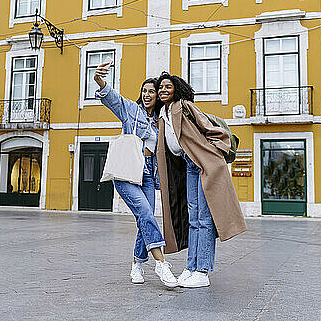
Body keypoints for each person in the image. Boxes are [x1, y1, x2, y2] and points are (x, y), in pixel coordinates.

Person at [155, 72, 247, 288]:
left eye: (168, 86)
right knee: (193, 218)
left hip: (204, 163)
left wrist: (214, 151)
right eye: (160, 87)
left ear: (177, 89)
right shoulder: (163, 114)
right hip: (189, 165)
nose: (163, 90)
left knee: (205, 219)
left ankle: (202, 271)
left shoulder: (184, 105)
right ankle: (191, 267)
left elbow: (209, 128)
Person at [93, 61, 178, 288]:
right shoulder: (131, 110)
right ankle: (161, 263)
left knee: (145, 217)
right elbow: (111, 97)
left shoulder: (162, 120)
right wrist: (99, 79)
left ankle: (136, 264)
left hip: (149, 174)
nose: (148, 94)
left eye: (152, 91)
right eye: (145, 91)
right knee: (145, 213)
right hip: (128, 172)